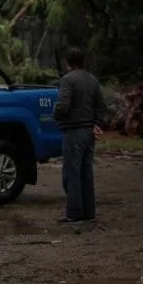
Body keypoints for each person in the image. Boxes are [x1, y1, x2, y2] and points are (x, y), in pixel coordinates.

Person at [52, 46, 106, 223]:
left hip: (73, 131)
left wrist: (56, 116)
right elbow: (101, 106)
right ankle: (88, 211)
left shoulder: (67, 80)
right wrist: (96, 123)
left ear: (67, 62)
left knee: (71, 173)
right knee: (86, 172)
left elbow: (62, 106)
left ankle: (74, 212)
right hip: (89, 132)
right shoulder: (92, 80)